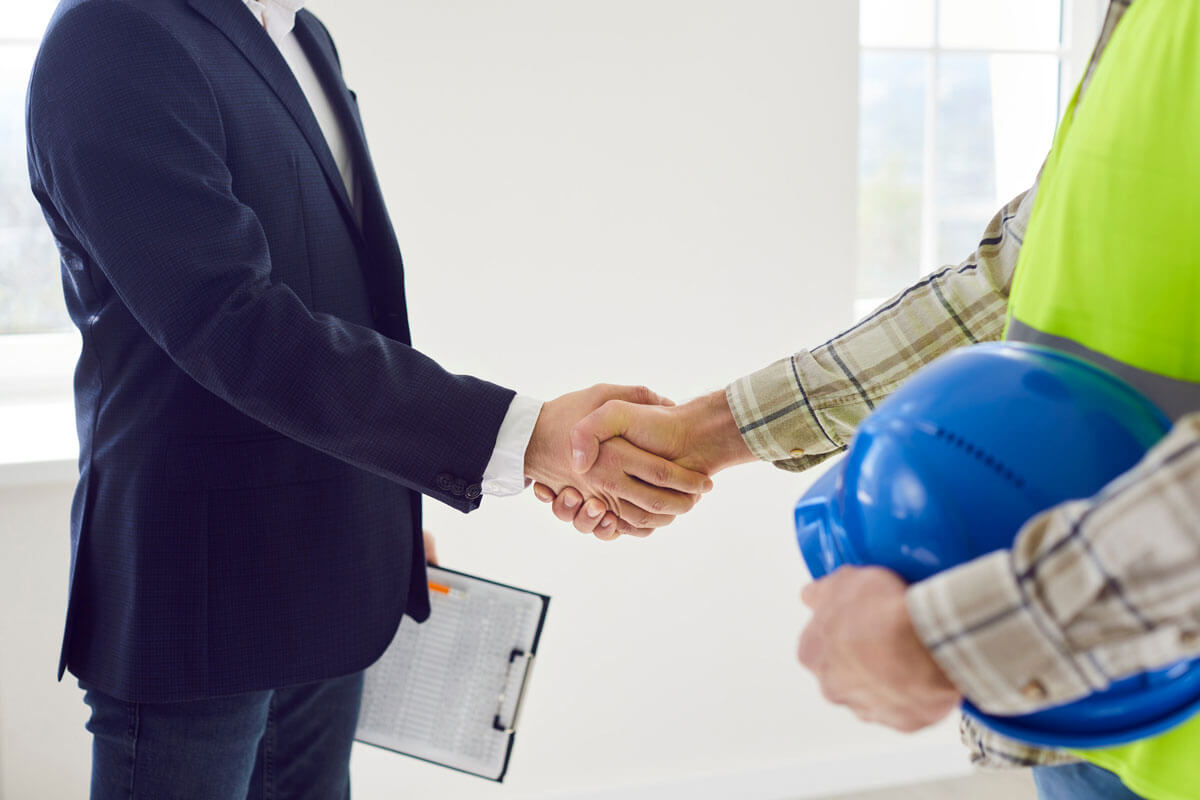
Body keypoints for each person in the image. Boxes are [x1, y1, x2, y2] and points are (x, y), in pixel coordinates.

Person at [25, 0, 712, 796]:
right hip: (202, 590)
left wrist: (388, 499)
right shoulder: (115, 31)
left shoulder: (302, 35)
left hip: (336, 557)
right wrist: (524, 436)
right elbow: (228, 320)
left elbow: (343, 306)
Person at [543, 1, 1200, 797]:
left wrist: (961, 639)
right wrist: (707, 432)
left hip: (1092, 678)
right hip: (1087, 723)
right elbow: (1004, 285)